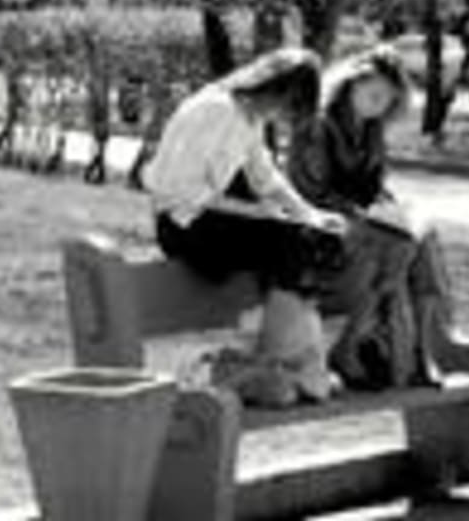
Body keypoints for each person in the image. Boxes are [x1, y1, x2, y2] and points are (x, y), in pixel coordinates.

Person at [143, 47, 347, 407]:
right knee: (289, 241)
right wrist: (255, 212)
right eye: (289, 107)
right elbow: (179, 190)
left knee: (316, 239)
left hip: (213, 220)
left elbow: (265, 177)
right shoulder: (215, 110)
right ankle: (276, 364)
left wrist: (309, 213)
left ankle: (289, 361)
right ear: (274, 89)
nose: (284, 117)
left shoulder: (249, 116)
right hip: (183, 226)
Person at [288, 45, 455, 390]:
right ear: (351, 85)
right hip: (316, 226)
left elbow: (374, 186)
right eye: (374, 95)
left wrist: (395, 209)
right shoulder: (317, 126)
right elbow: (310, 192)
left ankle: (423, 350)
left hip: (364, 226)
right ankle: (352, 346)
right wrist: (361, 213)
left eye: (388, 100)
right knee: (398, 244)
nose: (379, 106)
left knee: (423, 237)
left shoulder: (371, 131)